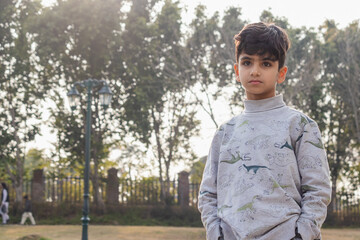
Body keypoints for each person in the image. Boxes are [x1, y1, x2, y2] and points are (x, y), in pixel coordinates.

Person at [198, 22, 331, 240]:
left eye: (266, 63)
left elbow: (318, 189)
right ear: (236, 71)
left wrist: (301, 234)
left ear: (281, 73)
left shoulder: (300, 125)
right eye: (247, 62)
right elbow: (208, 193)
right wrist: (217, 233)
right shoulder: (225, 132)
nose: (255, 71)